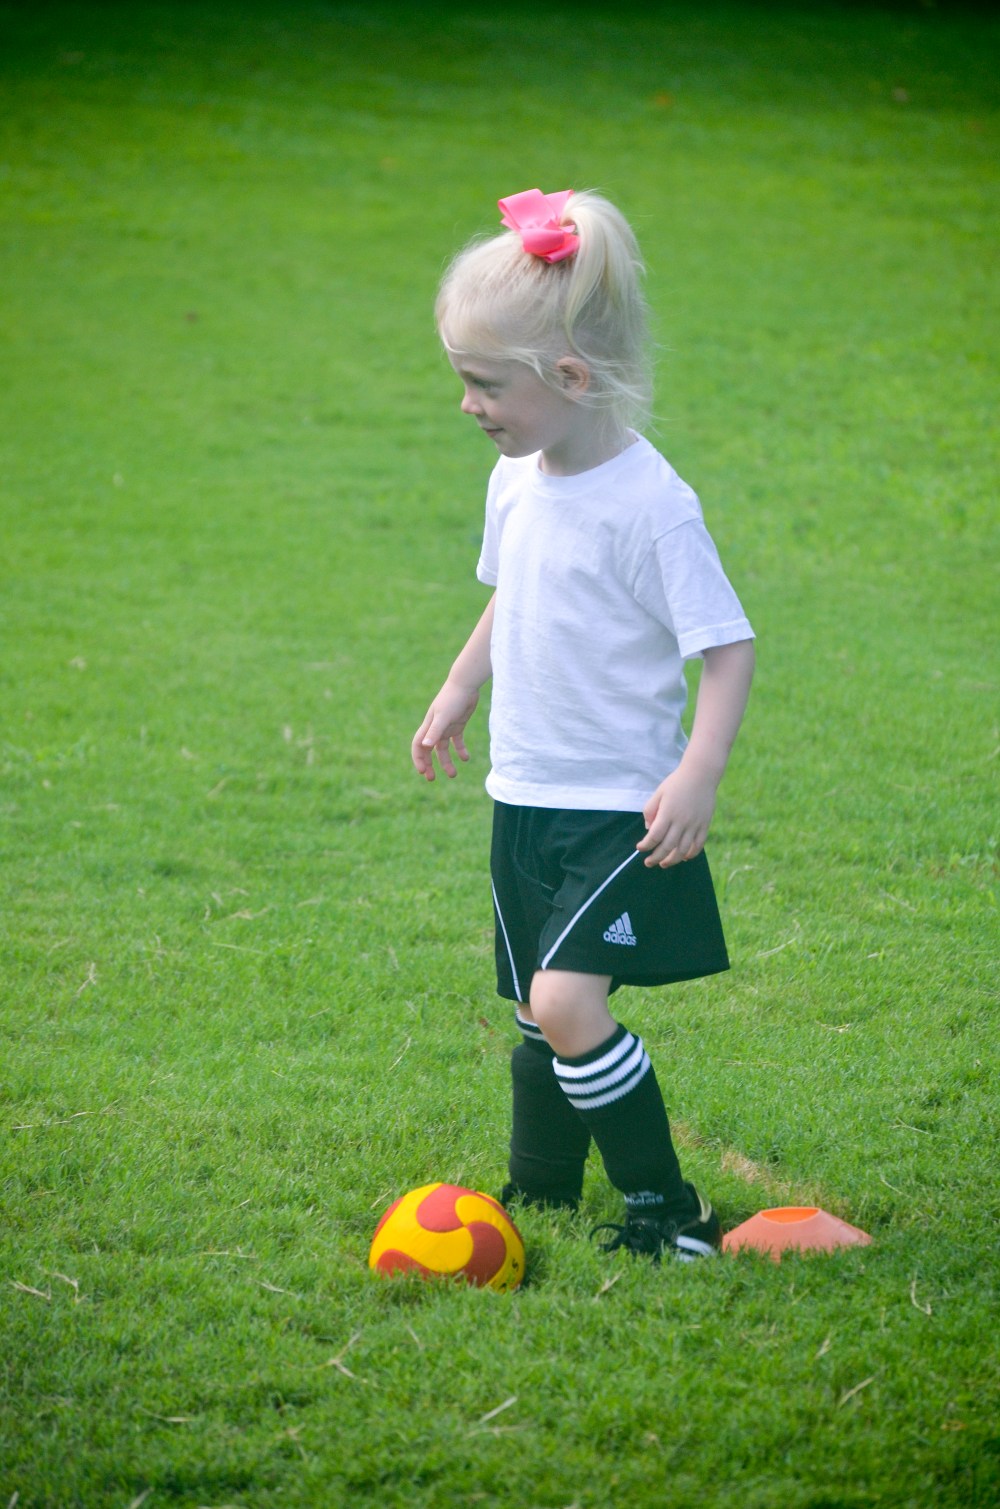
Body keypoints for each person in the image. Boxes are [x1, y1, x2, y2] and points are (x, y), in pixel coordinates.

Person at [411, 188, 755, 1261]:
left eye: (483, 384)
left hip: (618, 807)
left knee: (567, 1003)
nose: (468, 405)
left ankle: (669, 1209)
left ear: (567, 378)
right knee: (532, 1008)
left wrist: (697, 771)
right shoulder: (516, 478)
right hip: (523, 792)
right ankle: (542, 1192)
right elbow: (513, 593)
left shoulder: (653, 506)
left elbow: (727, 646)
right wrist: (461, 684)